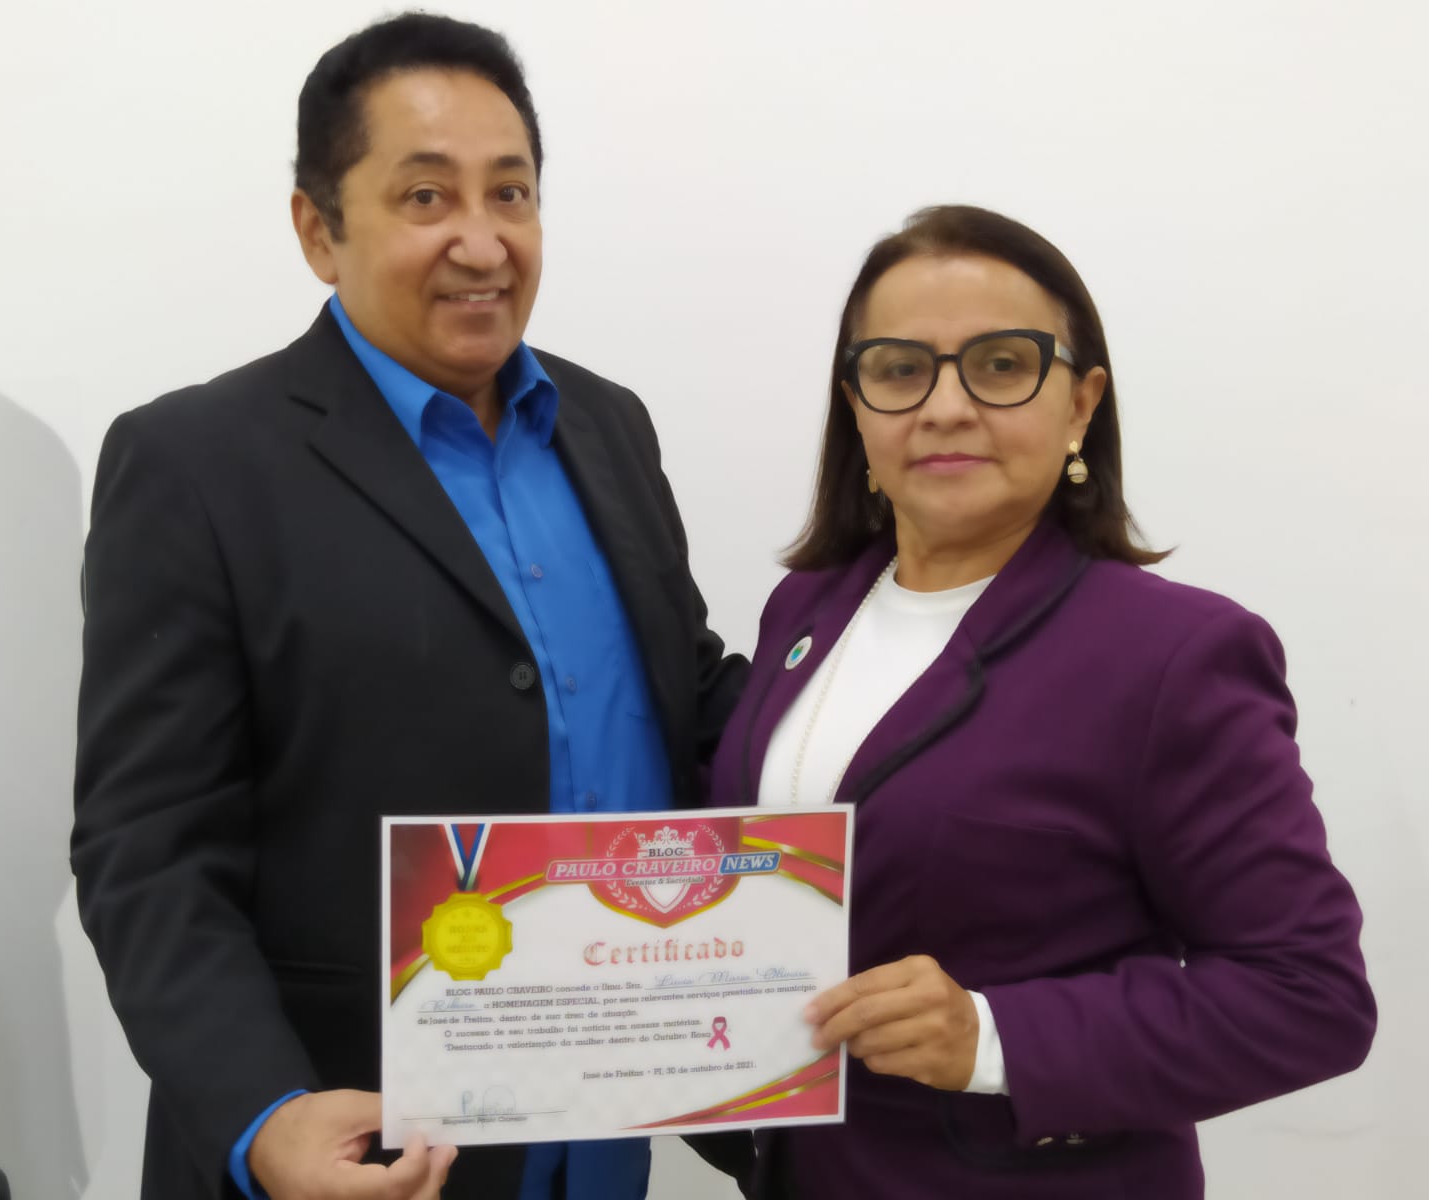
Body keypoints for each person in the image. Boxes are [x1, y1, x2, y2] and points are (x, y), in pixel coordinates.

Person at [71, 14, 749, 1200]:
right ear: (317, 229)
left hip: (602, 1135)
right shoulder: (195, 464)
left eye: (511, 193)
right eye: (426, 197)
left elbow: (681, 700)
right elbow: (148, 850)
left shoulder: (607, 426)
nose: (482, 243)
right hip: (357, 1151)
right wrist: (262, 1116)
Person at [706, 204, 1375, 1198]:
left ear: (1080, 403)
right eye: (899, 369)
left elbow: (1308, 996)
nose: (944, 407)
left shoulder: (1174, 656)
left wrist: (989, 1037)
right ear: (855, 405)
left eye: (1000, 364)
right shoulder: (804, 609)